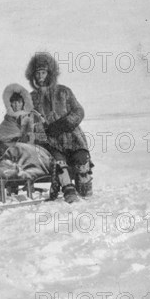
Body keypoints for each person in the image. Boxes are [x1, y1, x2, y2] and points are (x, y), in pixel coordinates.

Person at [25, 52, 93, 203]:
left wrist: (64, 124)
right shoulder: (31, 98)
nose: (40, 76)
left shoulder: (64, 91)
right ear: (33, 76)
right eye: (37, 73)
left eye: (43, 72)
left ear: (50, 74)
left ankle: (83, 184)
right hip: (50, 142)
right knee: (58, 162)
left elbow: (79, 111)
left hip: (73, 138)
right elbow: (28, 121)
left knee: (81, 161)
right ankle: (68, 191)